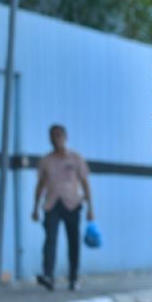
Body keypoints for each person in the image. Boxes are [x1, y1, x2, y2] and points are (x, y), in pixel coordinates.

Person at [31, 124, 94, 292]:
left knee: (73, 242)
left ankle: (73, 278)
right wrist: (35, 208)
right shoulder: (46, 161)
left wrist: (90, 208)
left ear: (65, 137)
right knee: (50, 240)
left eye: (58, 135)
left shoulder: (75, 159)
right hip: (52, 205)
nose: (55, 138)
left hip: (73, 205)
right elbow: (40, 185)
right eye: (52, 135)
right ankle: (48, 276)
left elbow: (85, 183)